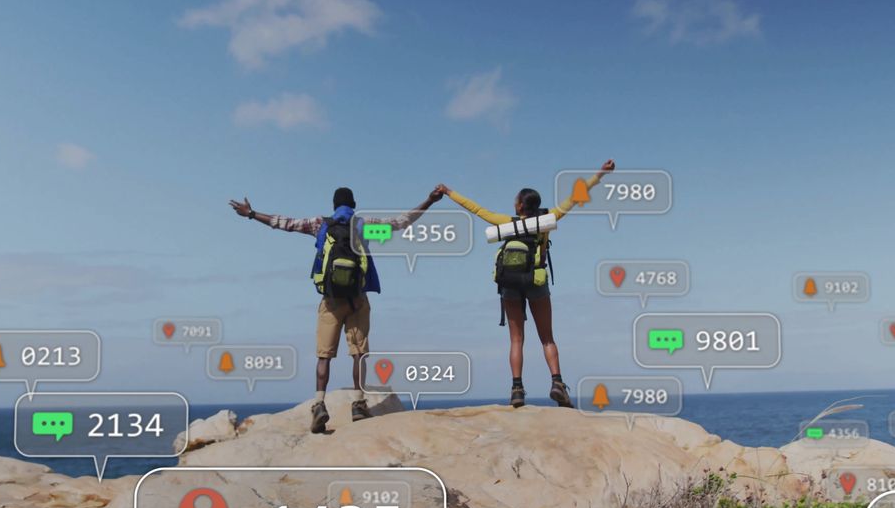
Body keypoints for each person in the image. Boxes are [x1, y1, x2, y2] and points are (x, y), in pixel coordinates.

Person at [230, 187, 442, 433]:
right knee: (358, 353)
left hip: (330, 302)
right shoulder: (365, 225)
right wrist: (429, 200)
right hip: (357, 300)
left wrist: (251, 213)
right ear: (354, 204)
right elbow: (401, 222)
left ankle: (319, 404)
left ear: (334, 206)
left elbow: (284, 223)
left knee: (324, 356)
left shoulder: (319, 224)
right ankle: (358, 404)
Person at [435, 159, 615, 408]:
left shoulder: (506, 222)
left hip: (509, 283)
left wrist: (449, 192)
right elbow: (575, 198)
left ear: (519, 205)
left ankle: (517, 389)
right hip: (537, 282)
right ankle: (557, 383)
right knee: (547, 338)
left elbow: (475, 209)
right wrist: (600, 175)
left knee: (516, 339)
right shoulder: (547, 220)